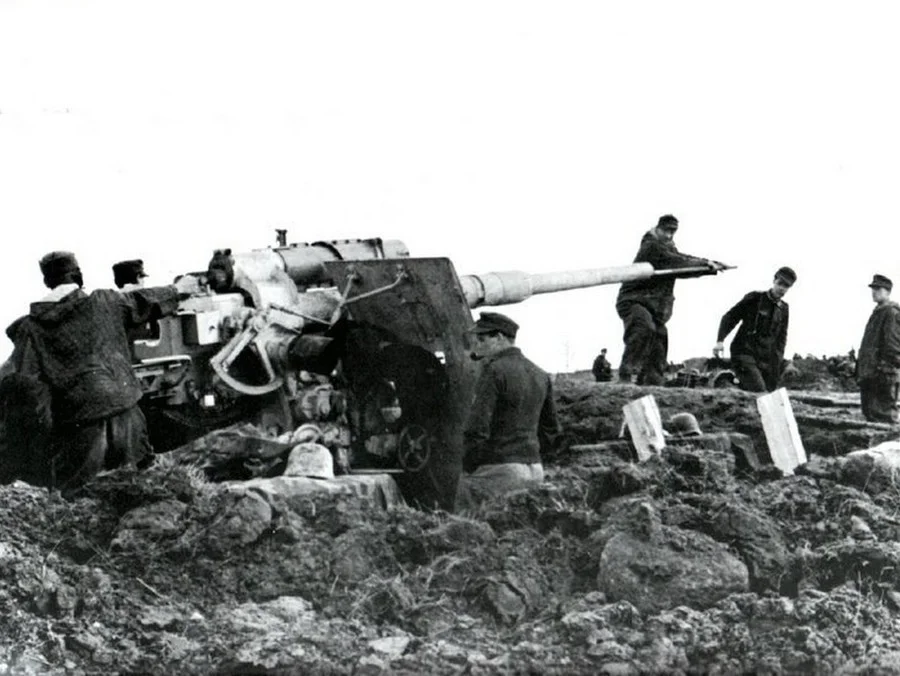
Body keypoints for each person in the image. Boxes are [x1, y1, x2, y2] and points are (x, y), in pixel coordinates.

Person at [2, 251, 199, 491]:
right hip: (127, 416)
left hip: (80, 429)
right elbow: (144, 300)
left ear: (47, 282)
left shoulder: (31, 328)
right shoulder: (104, 303)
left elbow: (25, 385)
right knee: (143, 490)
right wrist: (177, 290)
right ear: (79, 276)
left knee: (80, 502)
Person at [456, 311, 561, 510]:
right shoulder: (539, 374)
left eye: (482, 338)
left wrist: (470, 466)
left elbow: (476, 428)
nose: (477, 345)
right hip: (535, 470)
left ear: (500, 337)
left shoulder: (494, 370)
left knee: (465, 521)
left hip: (500, 470)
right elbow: (551, 430)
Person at [616, 214, 725, 385]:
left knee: (660, 336)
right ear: (658, 229)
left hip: (653, 307)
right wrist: (706, 264)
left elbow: (682, 265)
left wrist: (708, 266)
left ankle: (652, 380)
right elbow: (676, 262)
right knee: (643, 328)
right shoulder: (651, 246)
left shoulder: (668, 248)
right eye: (666, 231)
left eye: (672, 232)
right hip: (633, 300)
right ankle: (626, 374)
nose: (668, 235)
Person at [713, 266, 796, 392]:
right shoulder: (755, 298)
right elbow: (730, 317)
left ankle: (733, 384)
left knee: (770, 391)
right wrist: (720, 341)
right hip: (744, 353)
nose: (781, 289)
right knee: (759, 391)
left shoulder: (784, 309)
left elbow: (781, 339)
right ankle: (727, 384)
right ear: (774, 280)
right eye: (780, 284)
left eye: (786, 286)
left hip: (765, 359)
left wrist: (776, 365)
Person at [856, 274, 900, 423]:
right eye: (873, 289)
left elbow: (893, 345)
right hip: (871, 375)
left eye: (878, 289)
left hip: (882, 376)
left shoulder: (891, 313)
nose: (874, 292)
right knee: (872, 416)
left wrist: (886, 368)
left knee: (884, 420)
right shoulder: (878, 312)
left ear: (887, 292)